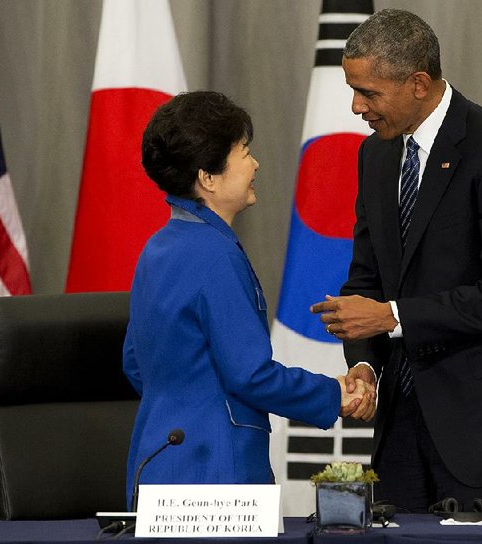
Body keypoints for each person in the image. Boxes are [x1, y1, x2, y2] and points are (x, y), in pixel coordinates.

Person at [311, 9, 482, 514]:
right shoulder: (375, 156)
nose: (357, 106)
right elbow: (367, 278)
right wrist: (362, 362)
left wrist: (393, 316)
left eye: (369, 92)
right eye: (352, 90)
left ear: (418, 84)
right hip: (399, 422)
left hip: (481, 427)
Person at [123, 91, 372, 509]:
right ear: (209, 177)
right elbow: (250, 376)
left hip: (157, 465)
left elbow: (135, 361)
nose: (255, 164)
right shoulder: (215, 255)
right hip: (218, 475)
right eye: (244, 152)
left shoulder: (157, 248)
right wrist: (334, 394)